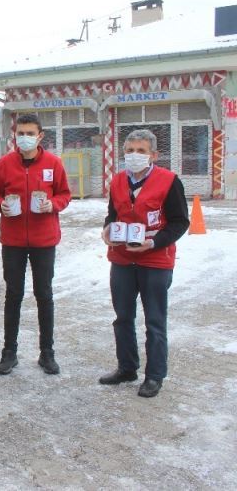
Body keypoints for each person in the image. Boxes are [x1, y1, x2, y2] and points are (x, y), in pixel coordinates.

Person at [99, 129, 189, 398]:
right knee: (123, 318)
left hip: (155, 260)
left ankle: (155, 375)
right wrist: (107, 230)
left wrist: (154, 242)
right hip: (123, 260)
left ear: (154, 155)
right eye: (130, 150)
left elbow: (180, 222)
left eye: (141, 151)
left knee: (154, 321)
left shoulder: (169, 181)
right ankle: (127, 367)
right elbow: (113, 214)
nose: (134, 156)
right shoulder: (117, 181)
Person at [0, 113, 71, 376]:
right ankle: (9, 352)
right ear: (14, 135)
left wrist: (53, 204)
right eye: (20, 133)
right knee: (13, 295)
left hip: (43, 240)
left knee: (44, 295)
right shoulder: (3, 164)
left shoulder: (54, 163)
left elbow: (65, 194)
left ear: (40, 136)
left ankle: (47, 353)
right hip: (12, 241)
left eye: (29, 133)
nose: (24, 138)